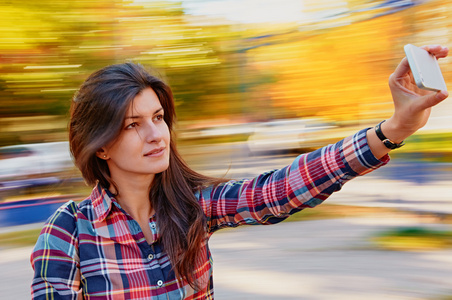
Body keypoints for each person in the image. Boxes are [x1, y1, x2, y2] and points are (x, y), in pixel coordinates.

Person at [30, 45, 449, 299]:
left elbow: (279, 190)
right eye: (132, 124)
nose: (156, 134)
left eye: (158, 117)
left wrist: (393, 130)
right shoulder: (69, 231)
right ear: (100, 144)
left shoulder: (192, 205)